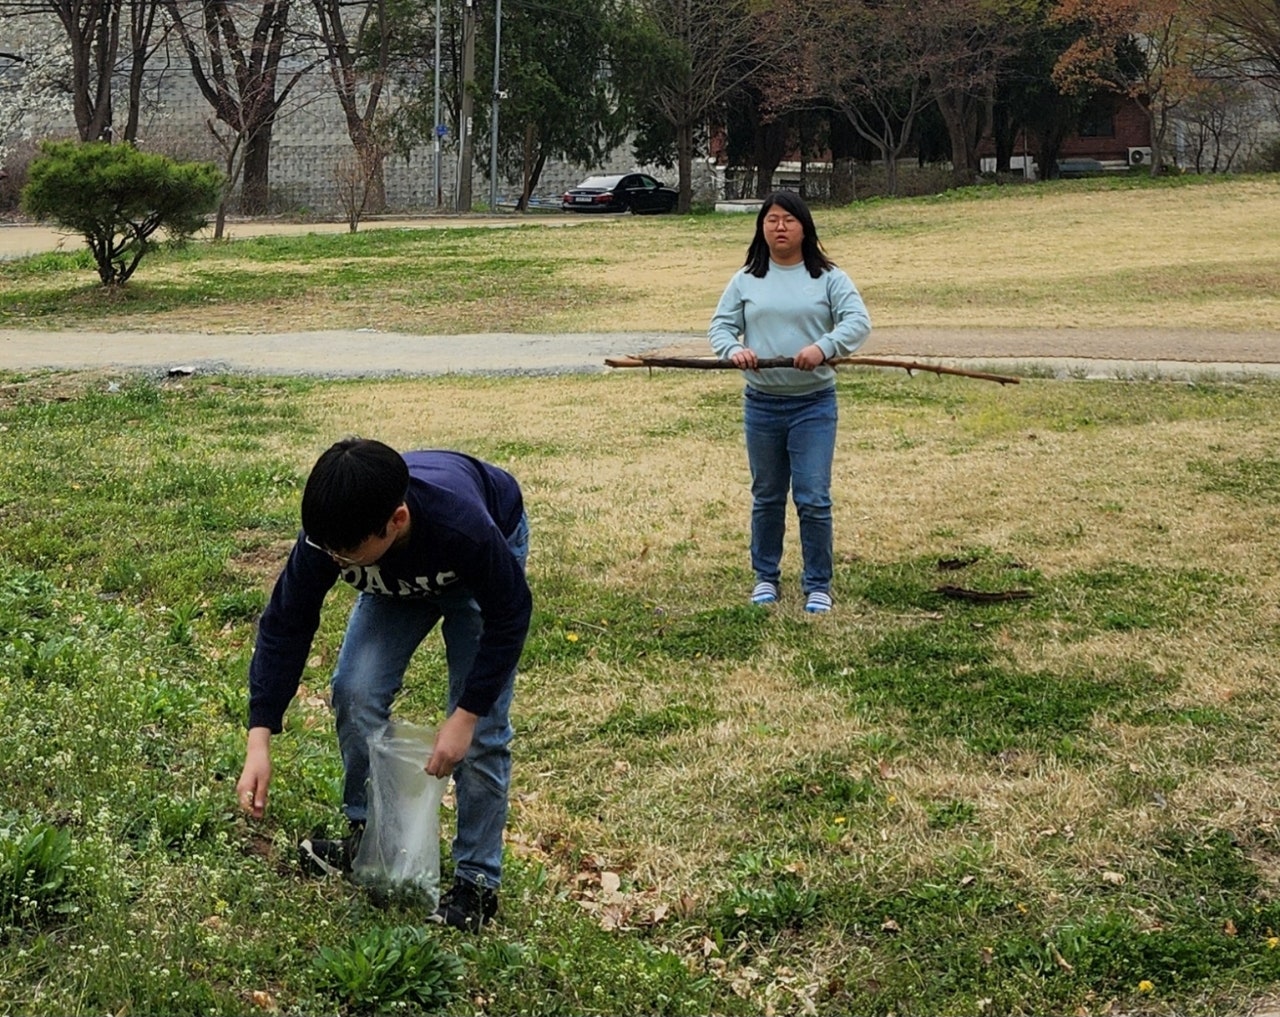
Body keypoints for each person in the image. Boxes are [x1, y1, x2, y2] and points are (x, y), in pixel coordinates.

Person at [235, 437, 532, 932]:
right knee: (355, 690)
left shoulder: (464, 527)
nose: (333, 560)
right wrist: (259, 734)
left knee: (480, 737)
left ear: (396, 520)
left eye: (346, 554)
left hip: (471, 567)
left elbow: (510, 613)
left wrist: (465, 714)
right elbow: (286, 623)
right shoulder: (329, 540)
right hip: (397, 578)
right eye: (327, 549)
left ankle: (477, 882)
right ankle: (367, 838)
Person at [708, 191, 872, 614]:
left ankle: (818, 583)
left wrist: (824, 347)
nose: (779, 227)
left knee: (813, 496)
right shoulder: (746, 279)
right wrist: (732, 351)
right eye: (771, 219)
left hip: (813, 405)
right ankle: (766, 578)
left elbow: (858, 322)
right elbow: (721, 327)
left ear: (805, 227)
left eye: (788, 220)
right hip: (761, 404)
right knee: (767, 494)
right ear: (761, 227)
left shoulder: (830, 278)